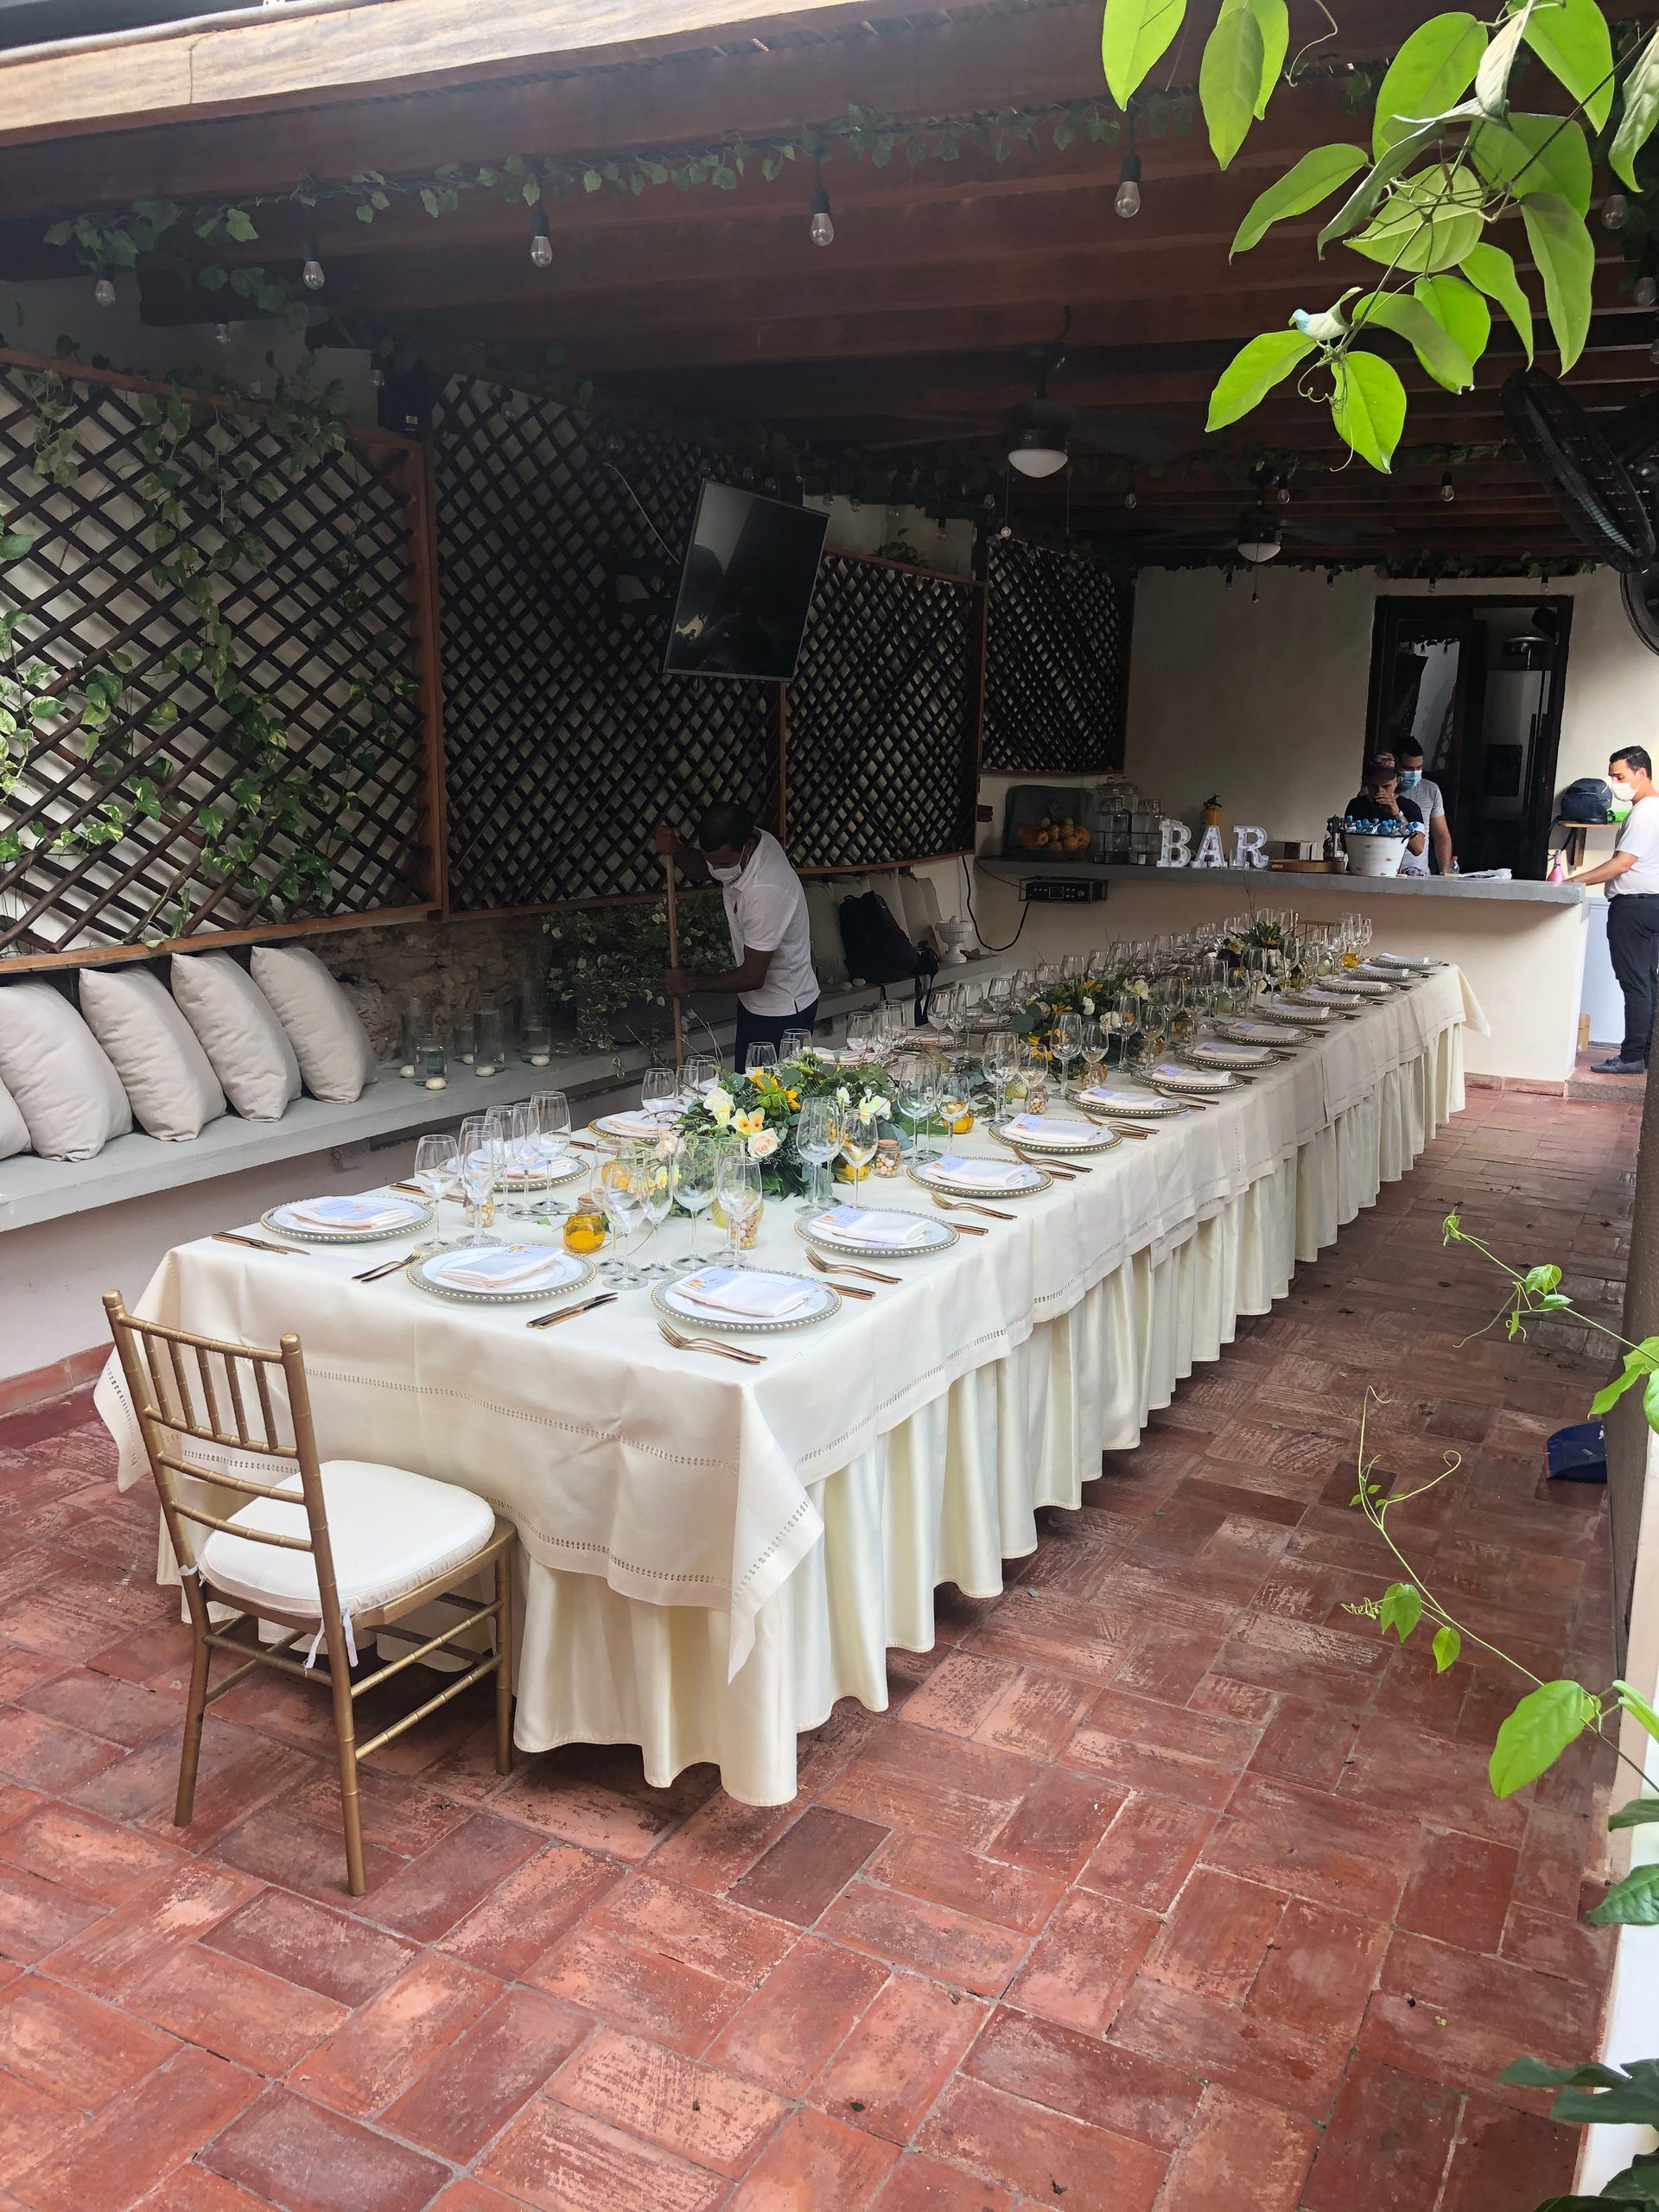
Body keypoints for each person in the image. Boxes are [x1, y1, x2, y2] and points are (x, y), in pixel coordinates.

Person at [656, 803, 820, 1067]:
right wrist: (678, 851)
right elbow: (704, 869)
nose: (716, 869)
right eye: (711, 860)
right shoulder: (750, 844)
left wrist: (689, 983)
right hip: (754, 1005)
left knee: (774, 1089)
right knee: (745, 1085)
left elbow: (752, 976)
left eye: (722, 863)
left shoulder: (767, 888)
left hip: (785, 1010)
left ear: (748, 846)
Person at [1567, 746, 1659, 1074]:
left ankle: (1632, 1055)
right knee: (1647, 983)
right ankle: (1646, 1054)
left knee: (1636, 984)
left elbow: (1622, 864)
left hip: (1634, 909)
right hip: (1651, 905)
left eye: (1619, 776)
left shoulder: (1645, 813)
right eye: (1611, 776)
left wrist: (1574, 882)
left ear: (1641, 773)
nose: (1614, 783)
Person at [1344, 759, 1426, 867]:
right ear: (1368, 783)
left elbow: (1418, 848)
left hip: (1391, 870)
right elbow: (1345, 845)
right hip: (1358, 868)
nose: (1380, 791)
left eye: (1386, 787)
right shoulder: (1356, 805)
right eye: (1374, 787)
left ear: (1397, 781)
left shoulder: (1410, 807)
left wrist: (1397, 815)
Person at [1395, 742, 1452, 875]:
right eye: (1408, 768)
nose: (1414, 773)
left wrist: (1444, 872)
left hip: (1419, 873)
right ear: (1396, 765)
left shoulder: (1431, 790)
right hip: (1384, 871)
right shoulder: (1374, 792)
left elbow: (1441, 835)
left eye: (1419, 768)